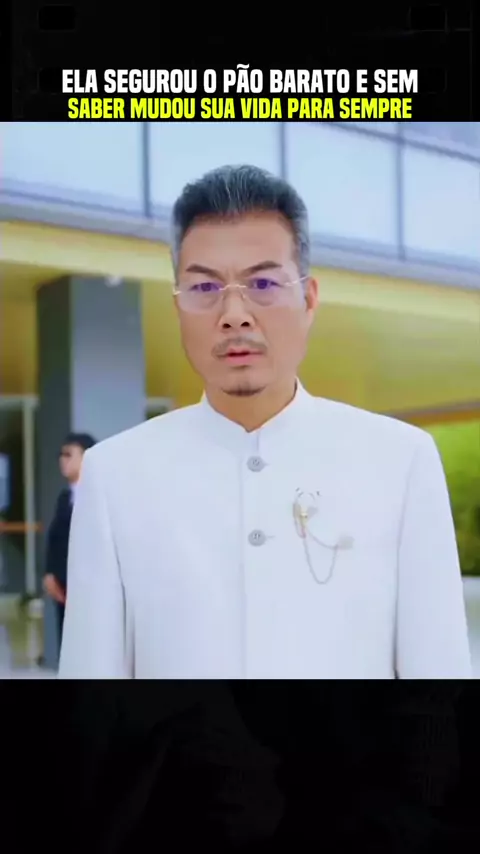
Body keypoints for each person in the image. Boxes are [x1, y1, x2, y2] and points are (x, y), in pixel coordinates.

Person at [59, 164, 472, 680]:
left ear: (309, 299)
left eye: (262, 283)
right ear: (178, 306)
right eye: (204, 287)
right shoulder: (115, 474)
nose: (234, 313)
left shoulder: (399, 461)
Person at [43, 432, 96, 655]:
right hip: (64, 585)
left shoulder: (97, 496)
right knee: (67, 644)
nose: (62, 460)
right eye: (61, 455)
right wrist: (50, 573)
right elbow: (55, 538)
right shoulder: (65, 497)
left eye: (69, 455)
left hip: (89, 584)